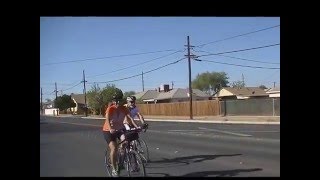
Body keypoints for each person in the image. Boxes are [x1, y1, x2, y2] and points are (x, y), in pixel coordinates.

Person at [102, 90, 140, 177]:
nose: (117, 102)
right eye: (115, 100)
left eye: (118, 100)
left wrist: (136, 126)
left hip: (119, 130)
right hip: (108, 131)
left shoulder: (124, 108)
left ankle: (121, 162)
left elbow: (130, 117)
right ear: (113, 101)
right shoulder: (110, 108)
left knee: (125, 142)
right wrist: (111, 128)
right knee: (114, 148)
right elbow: (107, 119)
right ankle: (114, 169)